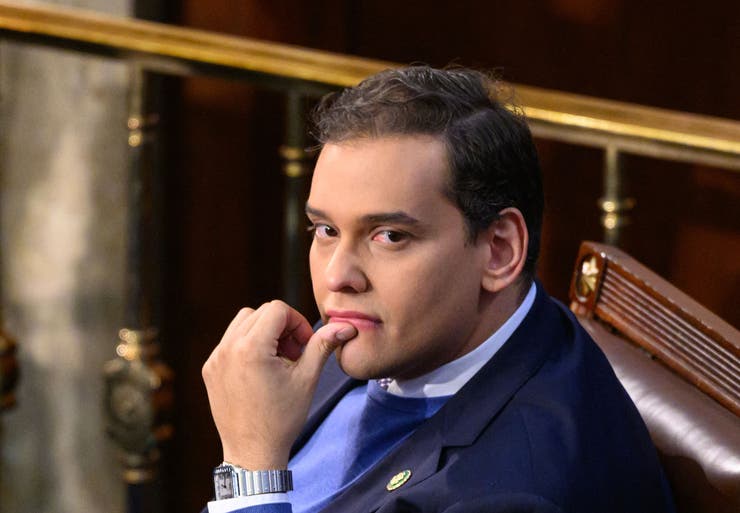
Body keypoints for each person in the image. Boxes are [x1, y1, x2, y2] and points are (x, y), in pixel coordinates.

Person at [202, 66, 675, 513]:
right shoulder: (408, 328)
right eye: (326, 230)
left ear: (499, 250)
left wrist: (249, 469)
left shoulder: (516, 492)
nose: (336, 277)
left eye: (389, 236)